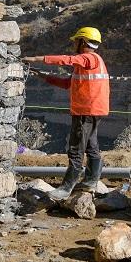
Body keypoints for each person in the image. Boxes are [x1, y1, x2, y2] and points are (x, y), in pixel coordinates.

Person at [23, 27, 109, 199]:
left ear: (83, 42)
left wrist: (36, 59)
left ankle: (66, 188)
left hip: (85, 111)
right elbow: (67, 84)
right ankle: (91, 180)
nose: (74, 44)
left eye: (76, 41)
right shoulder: (90, 63)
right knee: (91, 146)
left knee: (76, 149)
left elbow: (66, 60)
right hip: (94, 111)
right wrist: (43, 76)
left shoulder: (88, 58)